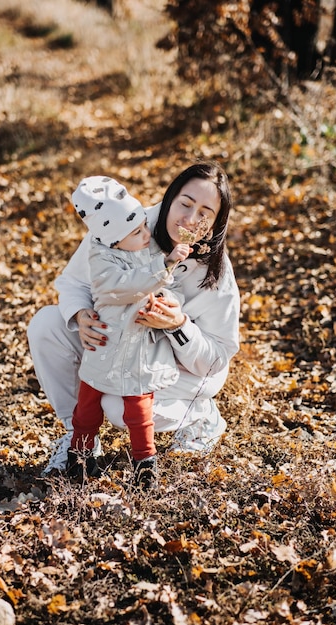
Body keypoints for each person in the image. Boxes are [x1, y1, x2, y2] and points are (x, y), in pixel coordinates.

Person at [27, 161, 240, 476]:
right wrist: (81, 313)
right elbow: (73, 282)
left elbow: (217, 357)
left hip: (186, 370)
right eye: (185, 203)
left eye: (205, 213)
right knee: (46, 325)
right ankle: (78, 437)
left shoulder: (216, 274)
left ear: (216, 223)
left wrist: (178, 326)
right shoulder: (125, 223)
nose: (190, 219)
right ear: (170, 198)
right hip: (121, 339)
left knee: (118, 404)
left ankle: (200, 417)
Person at [66, 176, 190, 488]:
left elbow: (167, 289)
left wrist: (167, 304)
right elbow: (126, 285)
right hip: (105, 343)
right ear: (113, 238)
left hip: (139, 349)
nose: (147, 234)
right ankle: (79, 459)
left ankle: (145, 465)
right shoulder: (102, 259)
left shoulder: (143, 247)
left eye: (144, 227)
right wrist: (165, 264)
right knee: (88, 407)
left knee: (139, 410)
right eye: (137, 231)